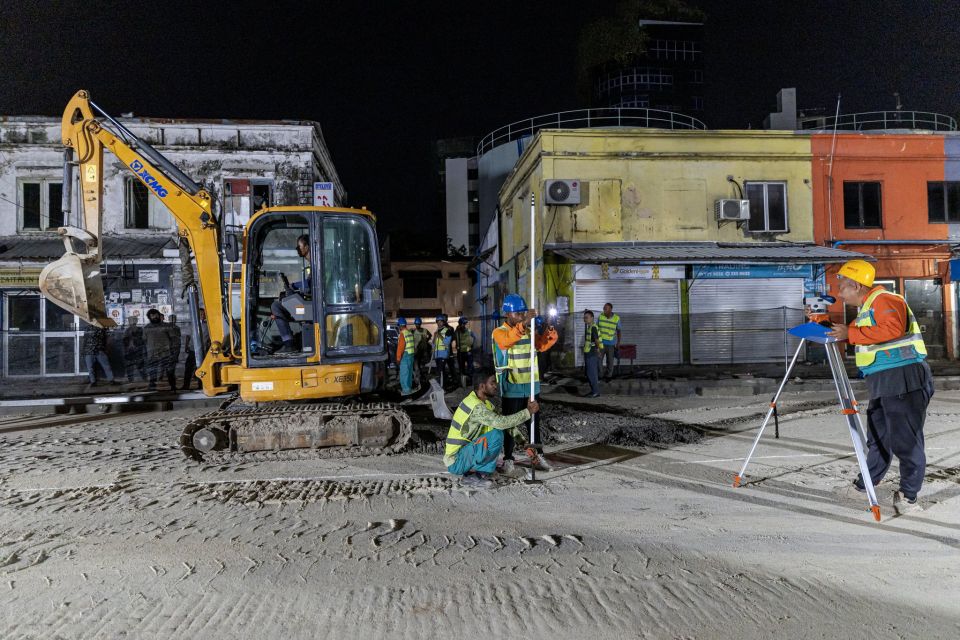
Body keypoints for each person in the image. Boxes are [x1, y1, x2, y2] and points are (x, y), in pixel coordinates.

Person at [827, 259, 933, 515]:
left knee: (905, 442)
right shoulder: (868, 308)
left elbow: (892, 329)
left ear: (855, 285)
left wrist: (849, 334)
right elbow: (862, 332)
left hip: (903, 378)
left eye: (842, 287)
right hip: (884, 380)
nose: (839, 293)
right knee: (879, 438)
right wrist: (832, 328)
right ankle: (865, 484)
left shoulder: (887, 300)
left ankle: (909, 498)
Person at [492, 293, 558, 474]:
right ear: (508, 314)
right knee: (510, 425)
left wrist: (549, 329)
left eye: (523, 313)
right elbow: (507, 342)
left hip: (531, 386)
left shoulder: (528, 330)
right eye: (518, 313)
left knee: (533, 423)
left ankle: (536, 457)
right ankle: (508, 459)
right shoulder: (499, 332)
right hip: (511, 386)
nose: (522, 316)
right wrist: (525, 322)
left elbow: (543, 345)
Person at [444, 373, 541, 488]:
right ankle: (476, 476)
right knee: (496, 435)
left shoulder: (485, 404)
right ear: (482, 386)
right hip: (457, 461)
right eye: (492, 383)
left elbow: (505, 425)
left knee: (497, 430)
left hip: (465, 453)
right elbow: (501, 423)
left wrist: (524, 443)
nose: (496, 386)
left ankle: (477, 471)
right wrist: (527, 412)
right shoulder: (476, 406)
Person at [270, 234, 311, 354]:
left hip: (309, 308)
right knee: (285, 302)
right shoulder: (312, 263)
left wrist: (293, 286)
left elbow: (309, 285)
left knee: (276, 306)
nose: (297, 249)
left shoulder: (316, 263)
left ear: (307, 247)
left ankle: (289, 344)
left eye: (299, 246)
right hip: (308, 304)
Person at [143, 308, 178, 391]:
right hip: (152, 353)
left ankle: (173, 386)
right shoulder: (146, 328)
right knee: (152, 371)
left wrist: (174, 352)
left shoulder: (167, 326)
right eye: (152, 316)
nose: (154, 317)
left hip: (165, 352)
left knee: (169, 371)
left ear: (159, 315)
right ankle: (152, 386)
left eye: (156, 315)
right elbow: (144, 341)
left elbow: (173, 339)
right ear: (149, 317)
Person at [598, 303, 621, 380]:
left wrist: (618, 342)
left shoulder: (616, 318)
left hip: (611, 344)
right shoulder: (601, 316)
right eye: (604, 308)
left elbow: (619, 331)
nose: (604, 310)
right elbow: (596, 329)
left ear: (611, 309)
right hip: (601, 343)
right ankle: (600, 375)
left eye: (606, 308)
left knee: (610, 361)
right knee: (599, 360)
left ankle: (608, 376)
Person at [583, 310, 602, 398]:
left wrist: (598, 351)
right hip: (589, 353)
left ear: (592, 318)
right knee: (589, 373)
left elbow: (597, 341)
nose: (585, 319)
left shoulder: (593, 327)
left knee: (592, 373)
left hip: (592, 353)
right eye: (584, 317)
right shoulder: (589, 327)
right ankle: (593, 391)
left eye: (587, 317)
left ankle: (595, 392)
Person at [122, 316, 148, 382]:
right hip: (131, 352)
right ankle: (133, 379)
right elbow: (125, 341)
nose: (132, 323)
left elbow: (143, 340)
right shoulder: (128, 330)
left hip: (136, 352)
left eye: (133, 321)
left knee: (139, 366)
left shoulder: (139, 330)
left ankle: (144, 378)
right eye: (131, 321)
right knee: (132, 367)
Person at [433, 314, 456, 387]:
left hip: (443, 354)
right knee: (440, 371)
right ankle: (444, 385)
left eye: (441, 321)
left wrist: (439, 336)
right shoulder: (437, 331)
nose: (439, 323)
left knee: (441, 372)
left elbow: (447, 342)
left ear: (443, 322)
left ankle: (443, 387)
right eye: (438, 321)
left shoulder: (447, 331)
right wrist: (434, 337)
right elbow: (434, 343)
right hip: (437, 355)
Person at [395, 317, 416, 395]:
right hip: (411, 355)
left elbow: (400, 347)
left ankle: (406, 391)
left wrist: (398, 358)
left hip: (405, 355)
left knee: (404, 374)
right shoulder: (409, 332)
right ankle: (409, 388)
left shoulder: (402, 334)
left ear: (400, 325)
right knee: (409, 373)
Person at [455, 316, 477, 386]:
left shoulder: (469, 331)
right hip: (460, 352)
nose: (464, 325)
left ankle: (470, 381)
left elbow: (474, 339)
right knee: (461, 368)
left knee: (470, 368)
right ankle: (463, 382)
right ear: (460, 324)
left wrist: (472, 348)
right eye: (462, 324)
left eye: (465, 324)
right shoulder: (457, 332)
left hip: (468, 352)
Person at [412, 317, 432, 382]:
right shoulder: (413, 331)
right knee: (417, 364)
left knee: (422, 364)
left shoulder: (425, 330)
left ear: (420, 324)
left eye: (418, 324)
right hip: (416, 350)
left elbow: (430, 335)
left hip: (423, 351)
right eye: (416, 324)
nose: (417, 325)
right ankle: (418, 377)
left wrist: (426, 340)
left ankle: (421, 376)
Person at [167, 313, 182, 380]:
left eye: (174, 319)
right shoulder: (166, 328)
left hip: (176, 346)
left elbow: (178, 336)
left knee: (174, 361)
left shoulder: (177, 328)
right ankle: (170, 375)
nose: (173, 320)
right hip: (169, 347)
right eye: (171, 319)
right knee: (169, 362)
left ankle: (172, 375)